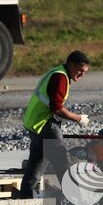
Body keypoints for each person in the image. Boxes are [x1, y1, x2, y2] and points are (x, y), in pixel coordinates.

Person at [19, 50, 91, 196]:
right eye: (80, 70)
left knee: (34, 170)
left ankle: (23, 200)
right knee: (64, 165)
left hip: (36, 126)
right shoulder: (60, 77)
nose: (82, 75)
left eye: (84, 72)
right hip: (46, 126)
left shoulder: (56, 71)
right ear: (71, 64)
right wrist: (79, 118)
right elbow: (57, 108)